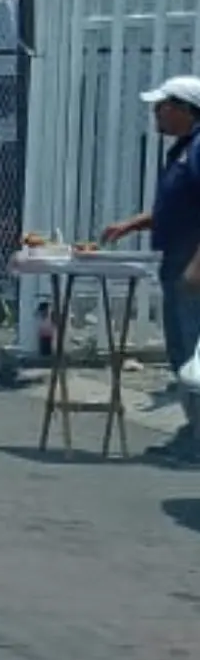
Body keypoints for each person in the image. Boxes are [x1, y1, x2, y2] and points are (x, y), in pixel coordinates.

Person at [99, 75, 200, 460]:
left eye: (162, 106)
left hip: (192, 265)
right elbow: (175, 207)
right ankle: (194, 432)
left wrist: (196, 267)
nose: (156, 114)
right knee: (181, 349)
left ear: (185, 110)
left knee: (191, 354)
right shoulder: (182, 151)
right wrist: (132, 224)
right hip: (178, 260)